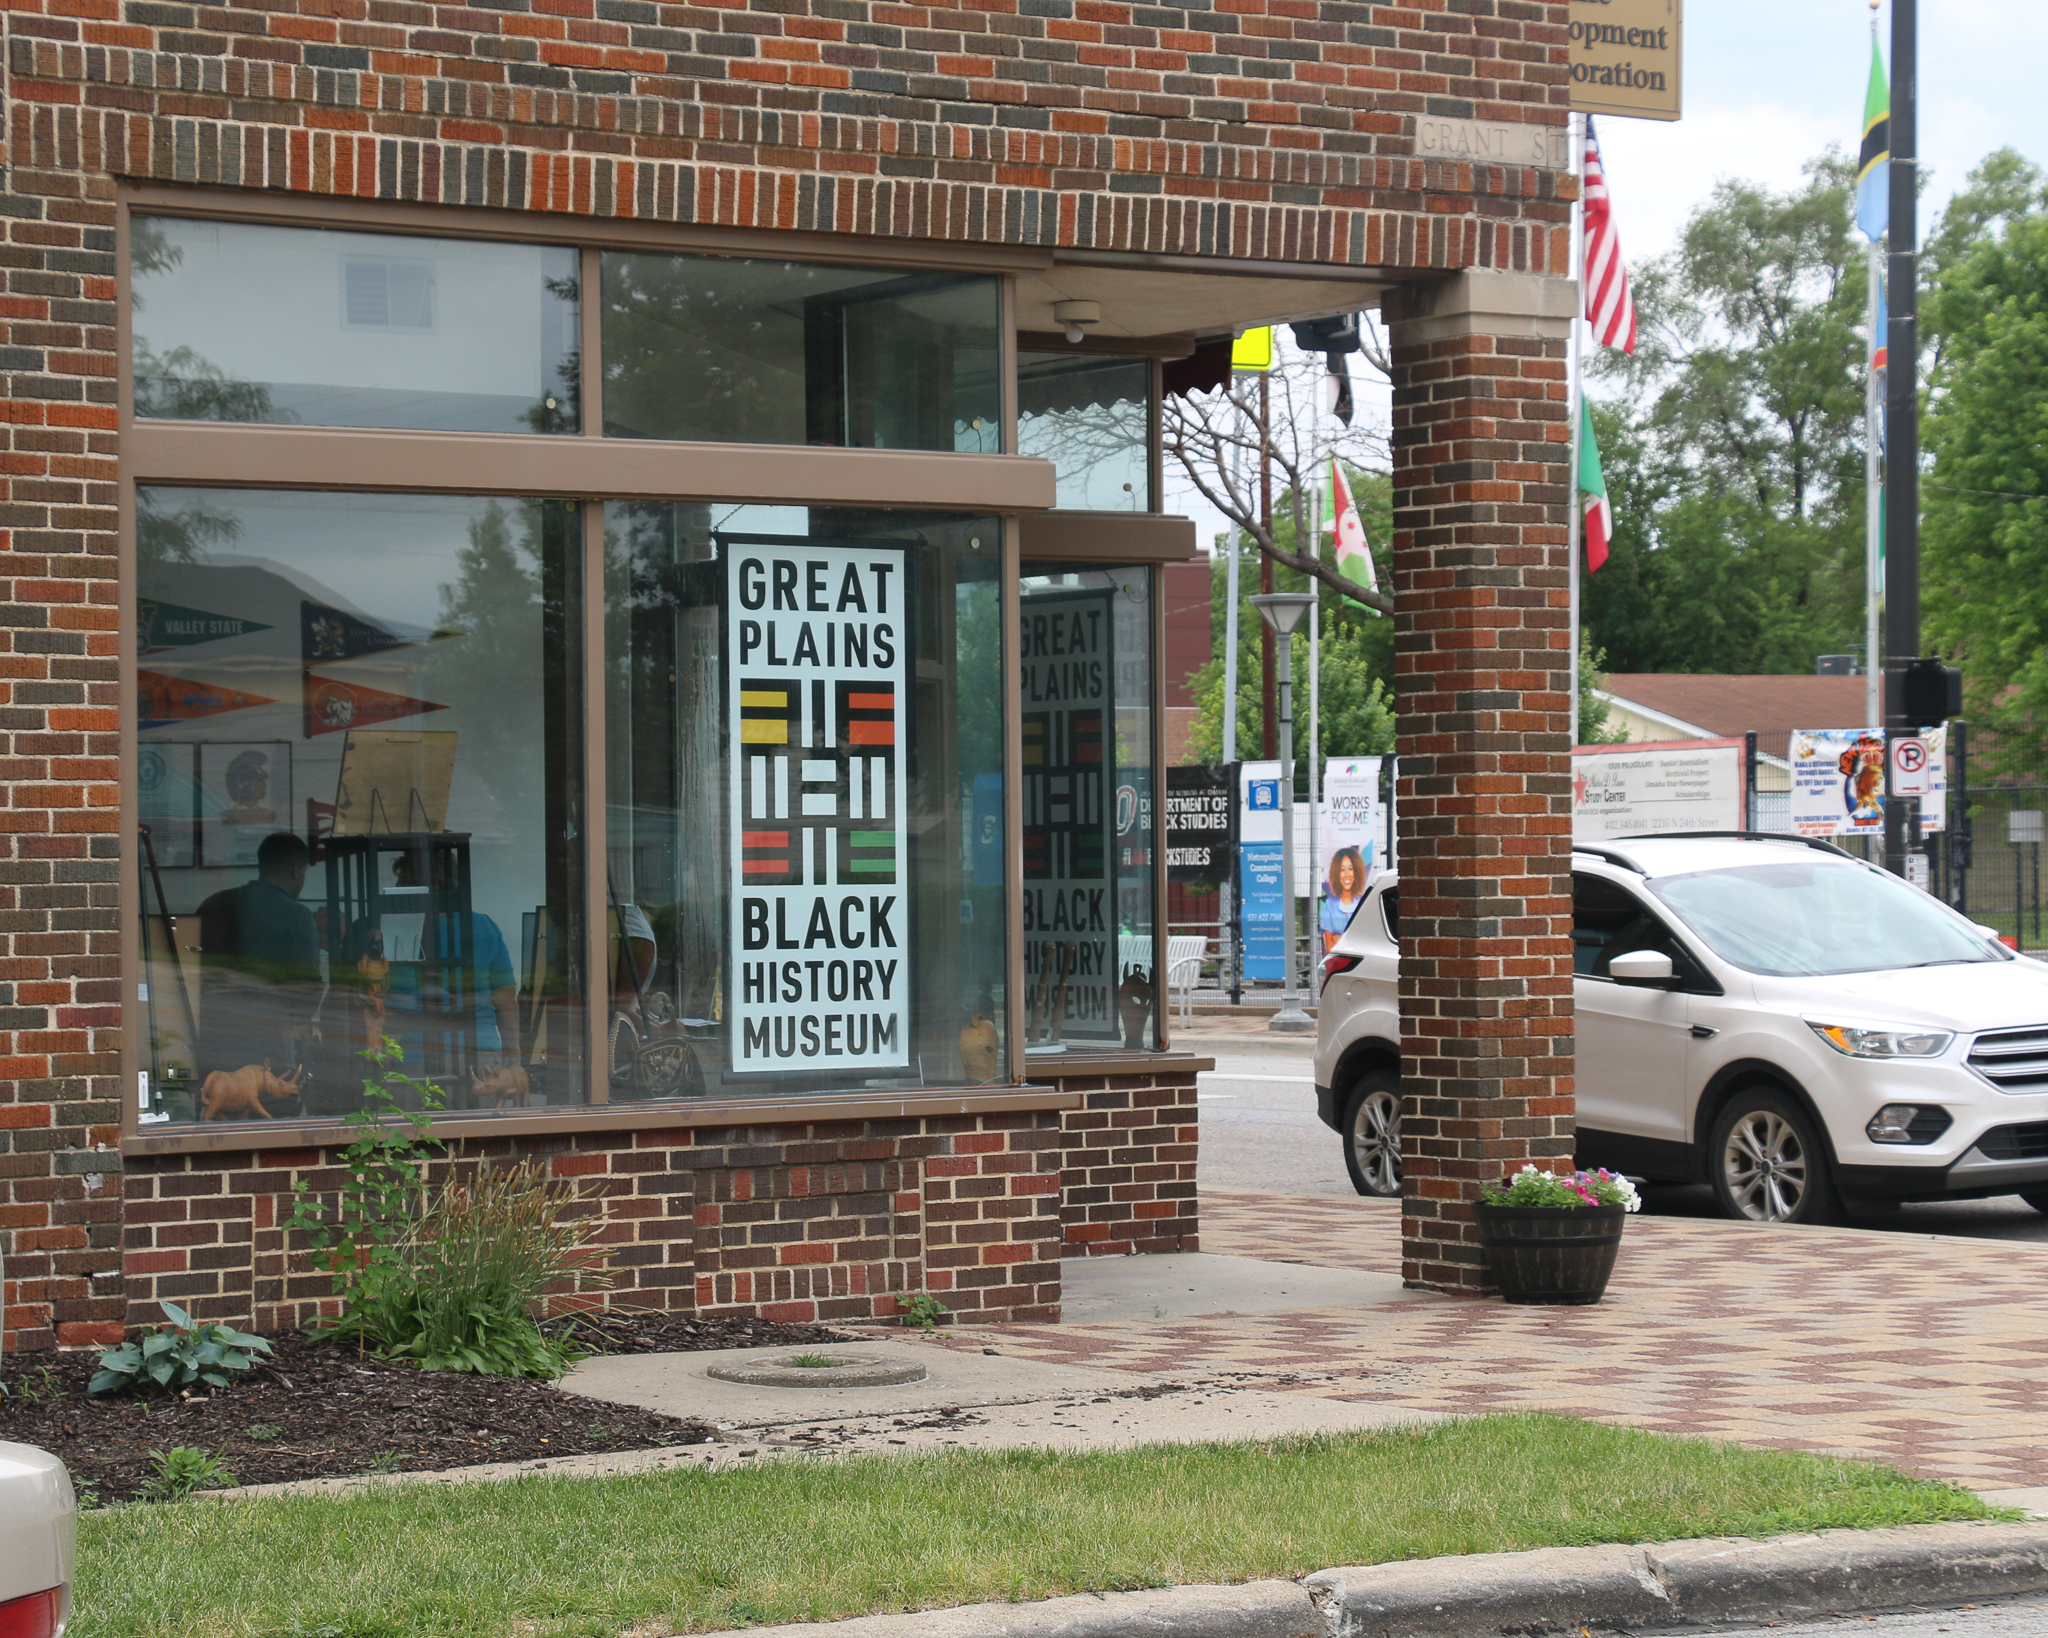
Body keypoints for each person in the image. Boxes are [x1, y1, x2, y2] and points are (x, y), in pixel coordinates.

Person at [196, 830, 322, 1083]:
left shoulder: (214, 905)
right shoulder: (297, 916)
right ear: (297, 869)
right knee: (270, 1117)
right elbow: (307, 992)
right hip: (269, 1050)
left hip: (212, 1049)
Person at [383, 849, 519, 1074]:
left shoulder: (400, 930)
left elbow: (399, 1006)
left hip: (413, 1058)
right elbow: (506, 999)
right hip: (482, 1055)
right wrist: (513, 1062)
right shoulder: (485, 926)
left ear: (411, 885)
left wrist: (384, 1055)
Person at [1320, 844, 1369, 953]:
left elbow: (1364, 944)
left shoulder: (1364, 903)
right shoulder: (1329, 905)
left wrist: (1337, 937)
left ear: (1357, 872)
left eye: (1350, 869)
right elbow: (1330, 948)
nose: (1347, 874)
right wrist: (1351, 940)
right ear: (1337, 873)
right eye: (1342, 870)